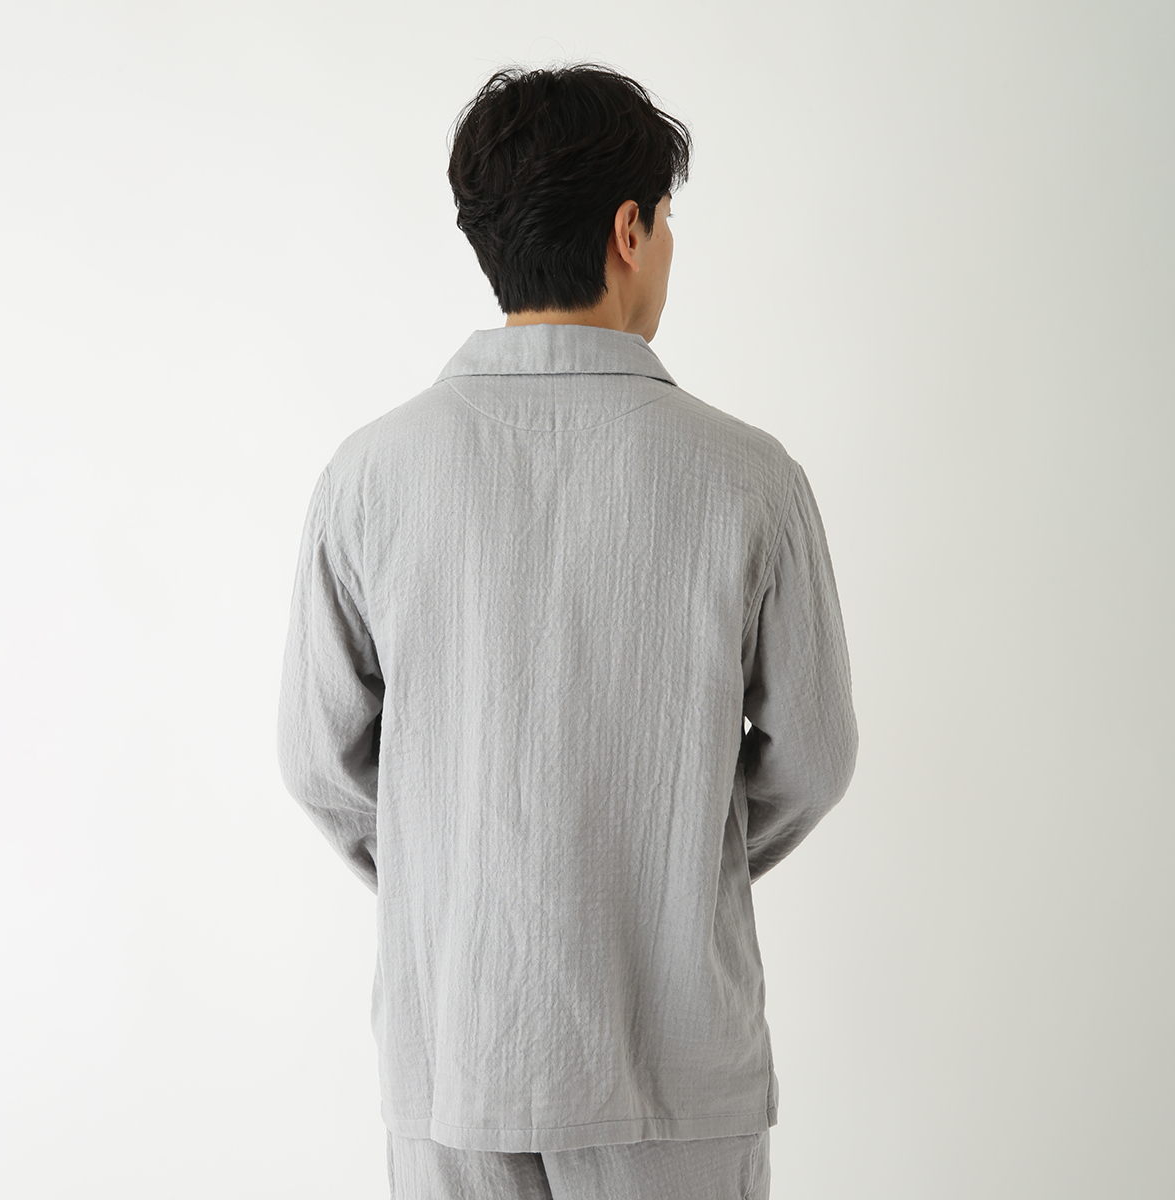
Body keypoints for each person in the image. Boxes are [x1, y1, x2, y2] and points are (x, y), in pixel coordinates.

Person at [276, 62, 859, 1200]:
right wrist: (674, 855)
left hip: (454, 1057)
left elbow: (317, 761)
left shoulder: (369, 477)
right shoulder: (751, 479)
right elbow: (818, 756)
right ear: (630, 229)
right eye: (666, 219)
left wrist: (463, 867)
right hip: (677, 1073)